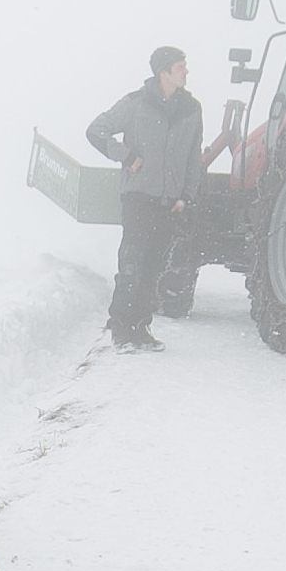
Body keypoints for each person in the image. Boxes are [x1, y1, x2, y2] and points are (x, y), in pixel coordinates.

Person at [87, 46, 207, 352]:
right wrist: (126, 156)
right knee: (131, 264)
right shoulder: (135, 104)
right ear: (163, 72)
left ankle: (141, 329)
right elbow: (96, 130)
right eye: (180, 67)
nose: (186, 72)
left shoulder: (192, 110)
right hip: (138, 197)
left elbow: (194, 158)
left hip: (169, 203)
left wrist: (186, 196)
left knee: (153, 267)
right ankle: (121, 329)